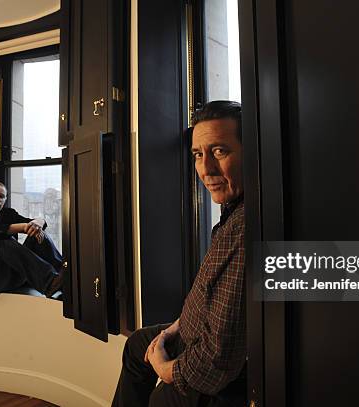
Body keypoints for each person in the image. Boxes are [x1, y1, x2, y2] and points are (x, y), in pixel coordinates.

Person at [113, 101, 246, 406]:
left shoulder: (245, 229)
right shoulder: (230, 212)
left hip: (215, 376)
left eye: (219, 152)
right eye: (199, 155)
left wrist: (169, 370)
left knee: (159, 399)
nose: (205, 169)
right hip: (192, 330)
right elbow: (210, 295)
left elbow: (220, 354)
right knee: (137, 344)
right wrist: (177, 326)